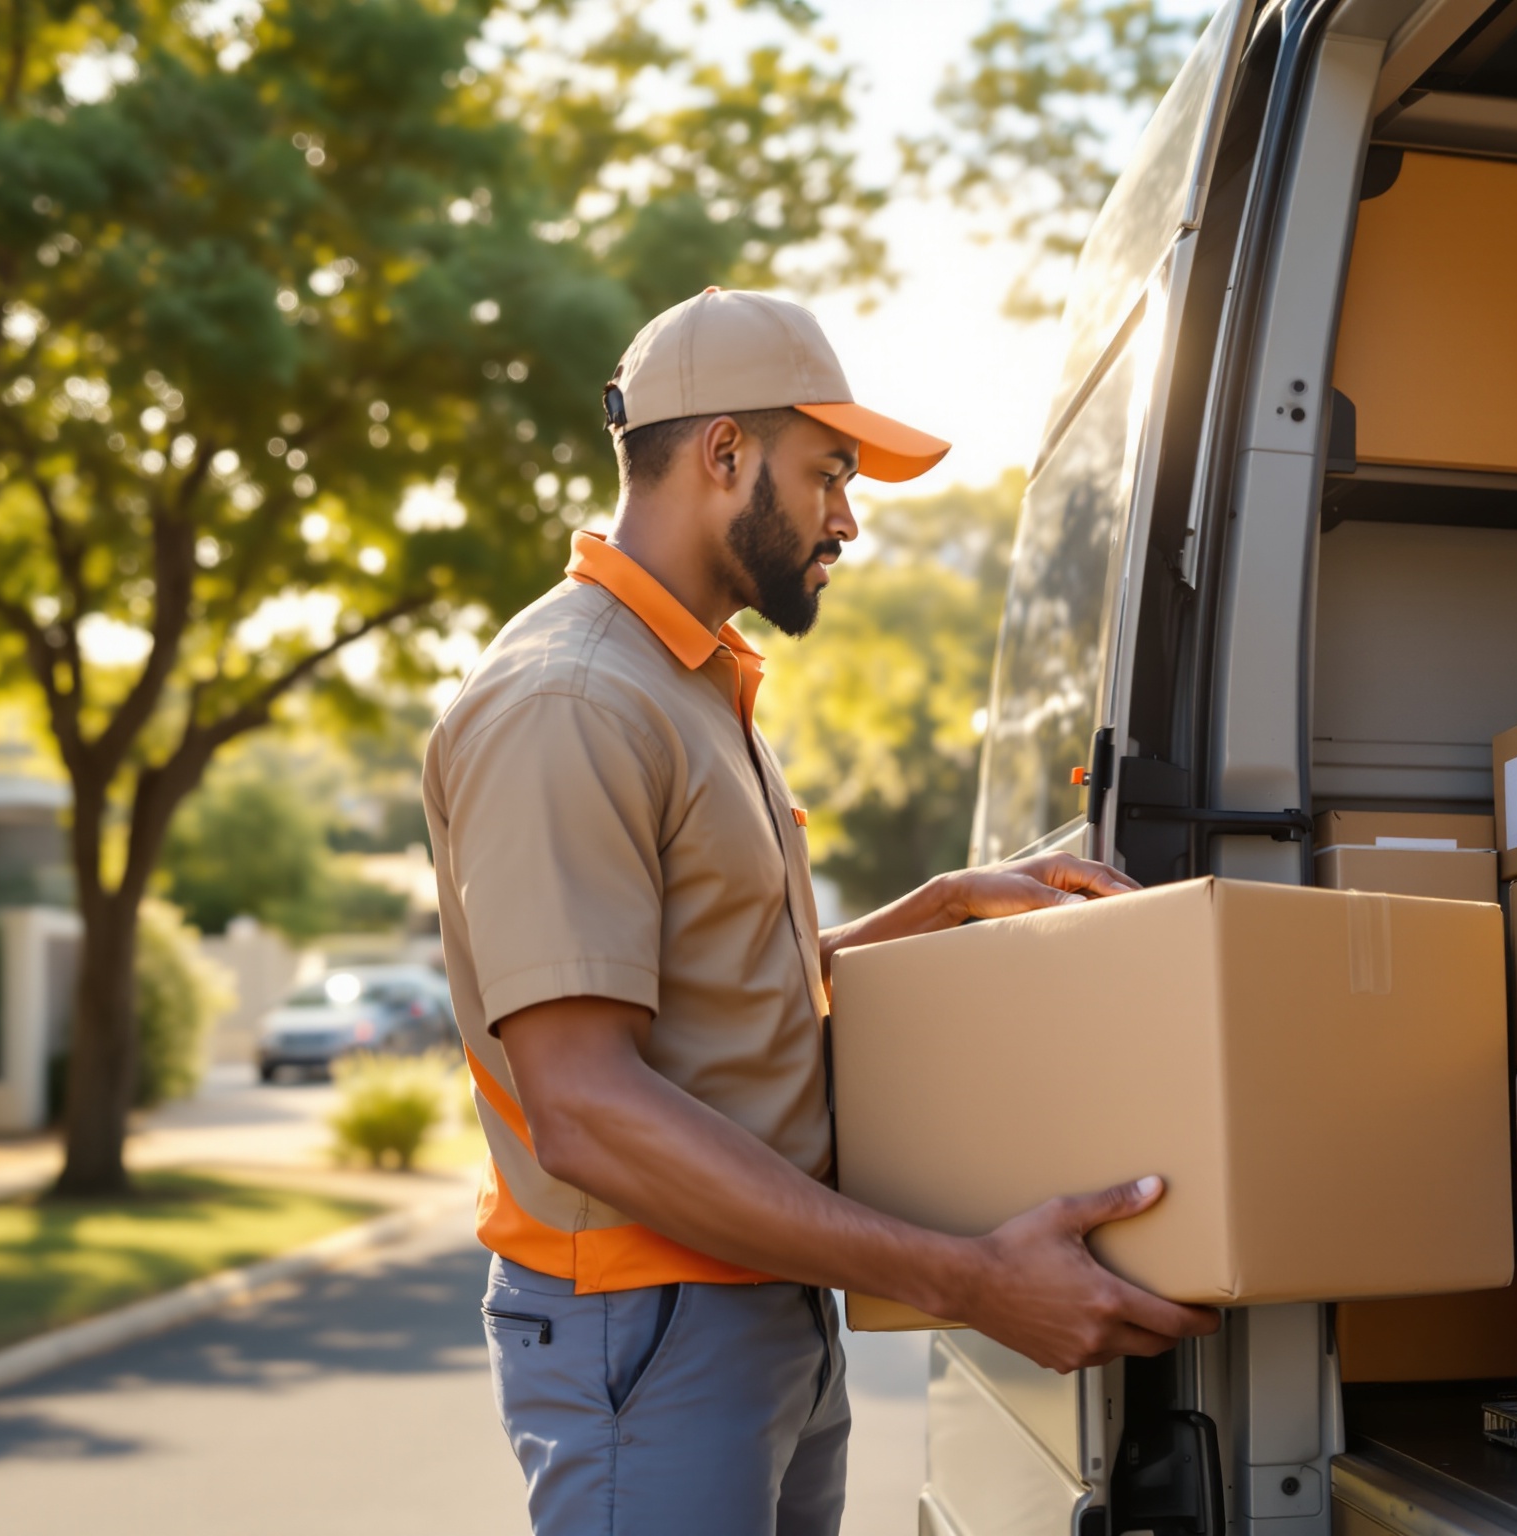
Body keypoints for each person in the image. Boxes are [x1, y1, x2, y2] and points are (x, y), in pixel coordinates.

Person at [421, 288, 1220, 1535]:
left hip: (757, 1296)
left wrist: (943, 909)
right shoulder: (571, 702)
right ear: (723, 451)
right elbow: (583, 1107)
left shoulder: (688, 684)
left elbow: (718, 995)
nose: (847, 519)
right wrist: (967, 1280)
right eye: (828, 474)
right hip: (655, 1324)